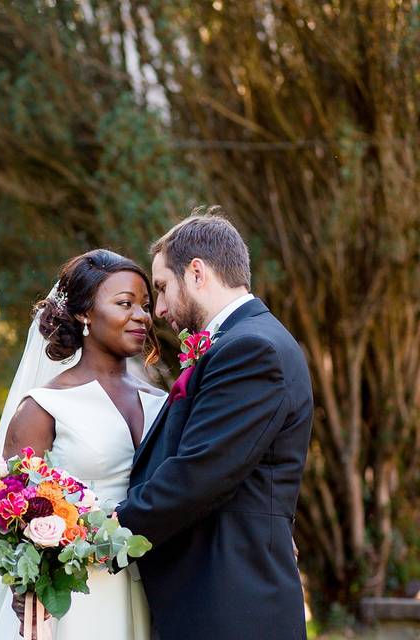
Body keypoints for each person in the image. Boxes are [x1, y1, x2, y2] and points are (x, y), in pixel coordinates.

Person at [0, 248, 166, 640]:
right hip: (77, 599)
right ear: (84, 313)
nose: (141, 316)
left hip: (156, 590)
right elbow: (10, 514)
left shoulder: (162, 403)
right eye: (125, 303)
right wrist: (27, 592)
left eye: (145, 305)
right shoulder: (46, 407)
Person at [115, 209, 313, 639]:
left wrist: (105, 531)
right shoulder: (242, 341)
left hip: (231, 599)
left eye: (164, 287)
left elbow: (201, 473)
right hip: (217, 591)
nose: (160, 308)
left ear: (198, 272)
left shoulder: (251, 349)